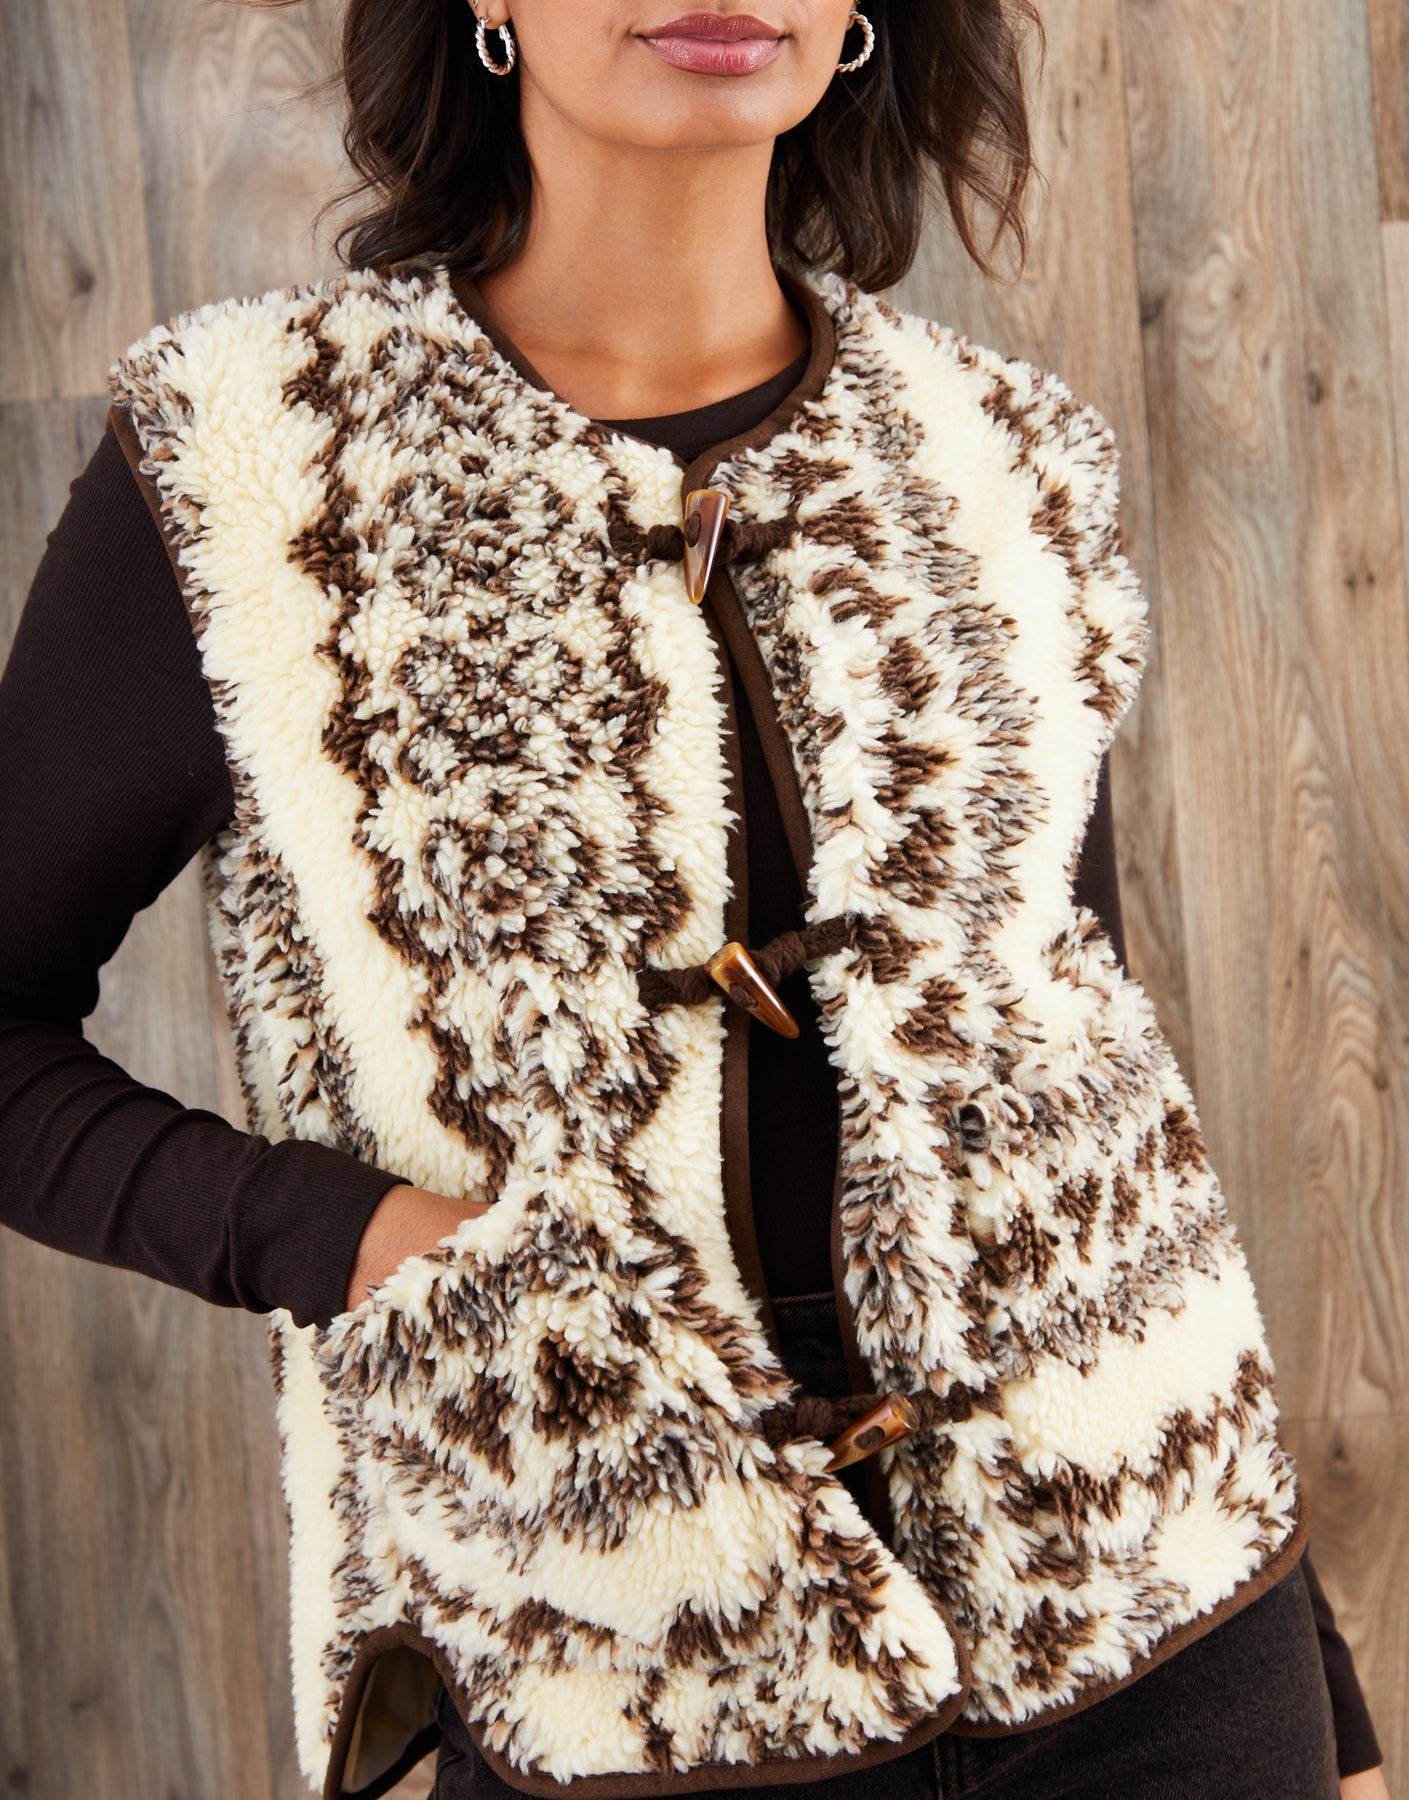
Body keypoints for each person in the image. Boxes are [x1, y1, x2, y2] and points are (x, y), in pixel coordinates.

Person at [0, 2, 1388, 1797]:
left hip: (1158, 1614)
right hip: (620, 1626)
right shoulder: (247, 465)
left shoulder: (1000, 454)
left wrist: (1322, 1693)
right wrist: (361, 1244)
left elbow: (1091, 1068)